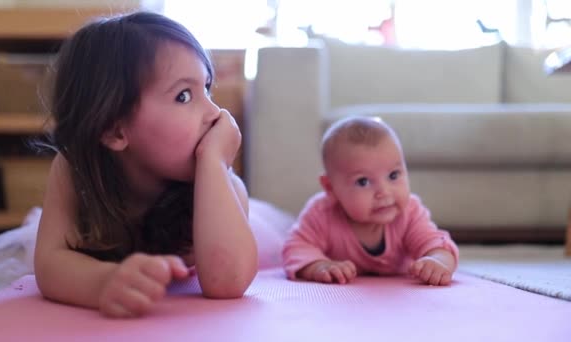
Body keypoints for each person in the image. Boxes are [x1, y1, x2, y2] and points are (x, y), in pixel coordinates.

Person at [33, 11, 258, 318]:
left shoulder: (220, 182)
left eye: (206, 88)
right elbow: (50, 264)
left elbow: (227, 282)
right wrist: (104, 283)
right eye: (183, 96)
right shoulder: (77, 169)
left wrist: (215, 164)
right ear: (115, 131)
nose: (214, 112)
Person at [282, 116, 458, 286]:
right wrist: (319, 266)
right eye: (363, 181)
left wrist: (437, 262)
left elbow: (435, 243)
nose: (383, 192)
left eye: (393, 175)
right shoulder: (321, 213)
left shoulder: (409, 212)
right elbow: (296, 247)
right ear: (331, 188)